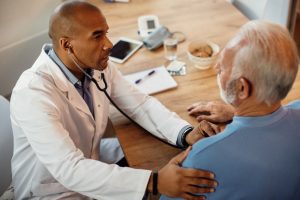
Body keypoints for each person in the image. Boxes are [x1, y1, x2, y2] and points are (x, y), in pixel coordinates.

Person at [10, 1, 218, 199]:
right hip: (51, 190)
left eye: (106, 33)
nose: (109, 44)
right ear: (67, 45)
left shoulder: (95, 67)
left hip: (91, 157)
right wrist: (154, 182)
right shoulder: (33, 94)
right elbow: (69, 169)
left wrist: (185, 133)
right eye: (97, 36)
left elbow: (139, 104)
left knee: (152, 159)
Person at [161, 20, 300, 200]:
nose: (216, 67)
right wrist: (235, 113)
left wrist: (158, 182)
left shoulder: (202, 158)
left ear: (242, 88)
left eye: (223, 65)